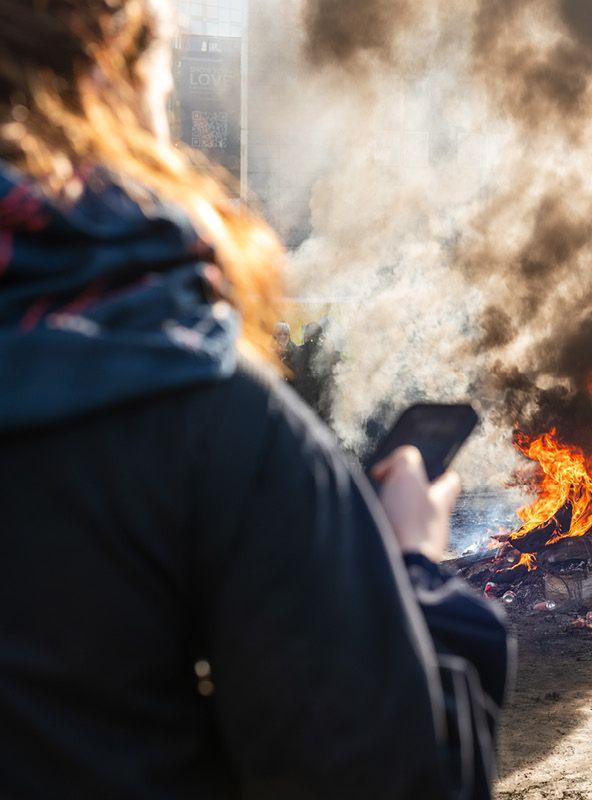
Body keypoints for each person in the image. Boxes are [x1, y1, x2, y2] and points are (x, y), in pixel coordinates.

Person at [0, 3, 508, 797]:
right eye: (162, 91)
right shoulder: (204, 421)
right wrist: (413, 571)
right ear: (108, 84)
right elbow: (390, 774)